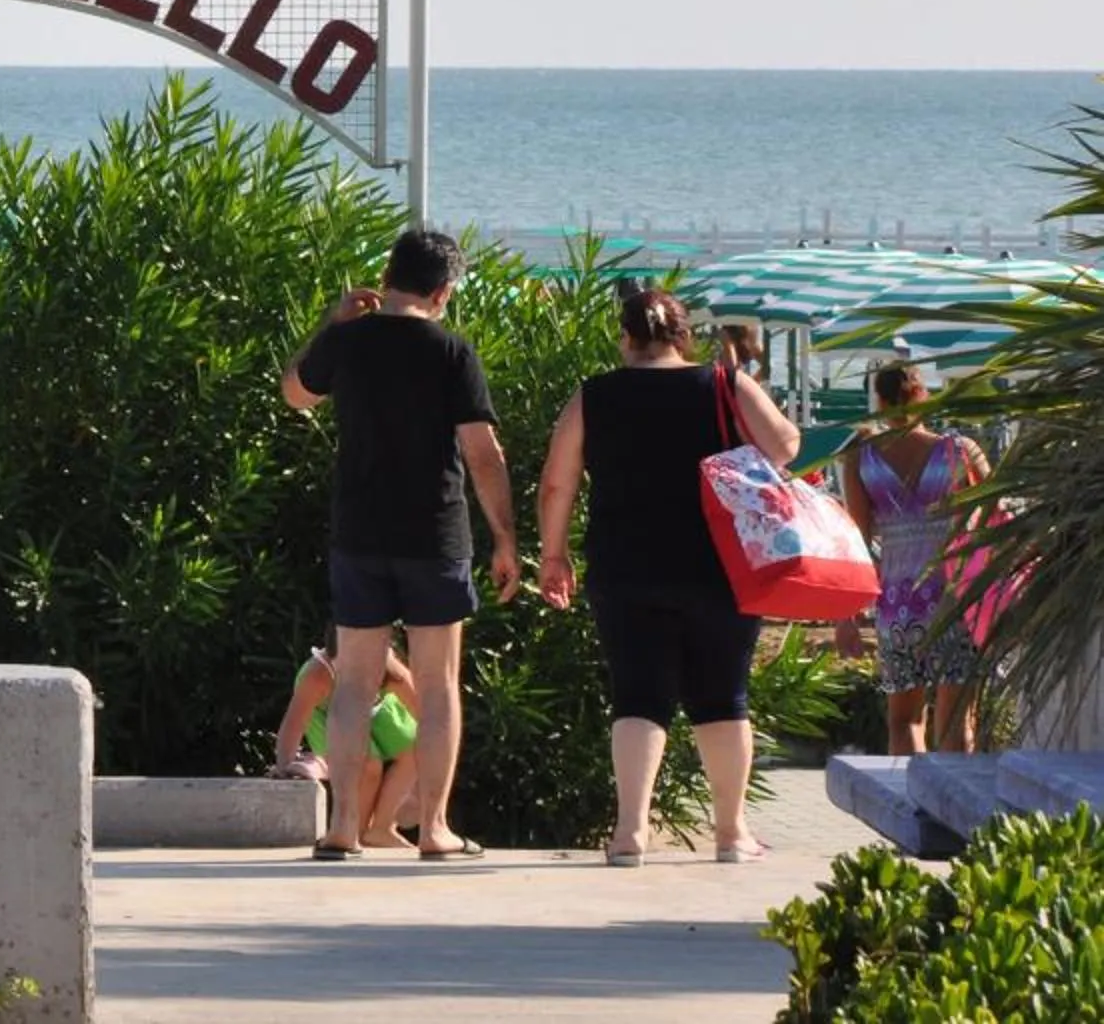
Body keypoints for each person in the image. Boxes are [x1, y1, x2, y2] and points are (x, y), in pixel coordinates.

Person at [536, 285, 803, 865]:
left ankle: (629, 834)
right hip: (720, 567)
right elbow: (785, 445)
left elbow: (557, 480)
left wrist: (553, 555)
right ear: (683, 336)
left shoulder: (596, 395)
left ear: (626, 338)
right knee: (723, 696)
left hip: (624, 567)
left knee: (637, 695)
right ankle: (732, 834)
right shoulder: (723, 384)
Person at [283, 228, 522, 861]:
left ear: (387, 278)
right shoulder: (451, 351)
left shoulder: (346, 341)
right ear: (442, 292)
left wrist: (331, 323)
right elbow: (482, 453)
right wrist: (505, 538)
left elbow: (295, 394)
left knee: (355, 683)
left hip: (359, 533)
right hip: (434, 534)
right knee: (438, 684)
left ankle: (342, 827)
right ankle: (435, 829)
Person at [841, 361, 993, 755]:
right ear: (923, 394)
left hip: (897, 605)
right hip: (955, 598)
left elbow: (855, 540)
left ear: (879, 399)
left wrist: (847, 617)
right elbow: (993, 523)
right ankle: (953, 811)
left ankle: (909, 808)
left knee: (904, 721)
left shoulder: (861, 457)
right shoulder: (960, 450)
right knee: (958, 721)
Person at [269, 636, 423, 848]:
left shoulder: (390, 671)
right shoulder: (317, 676)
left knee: (416, 746)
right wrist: (283, 764)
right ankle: (354, 832)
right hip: (327, 712)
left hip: (376, 708)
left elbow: (424, 711)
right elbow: (294, 723)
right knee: (368, 765)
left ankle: (382, 828)